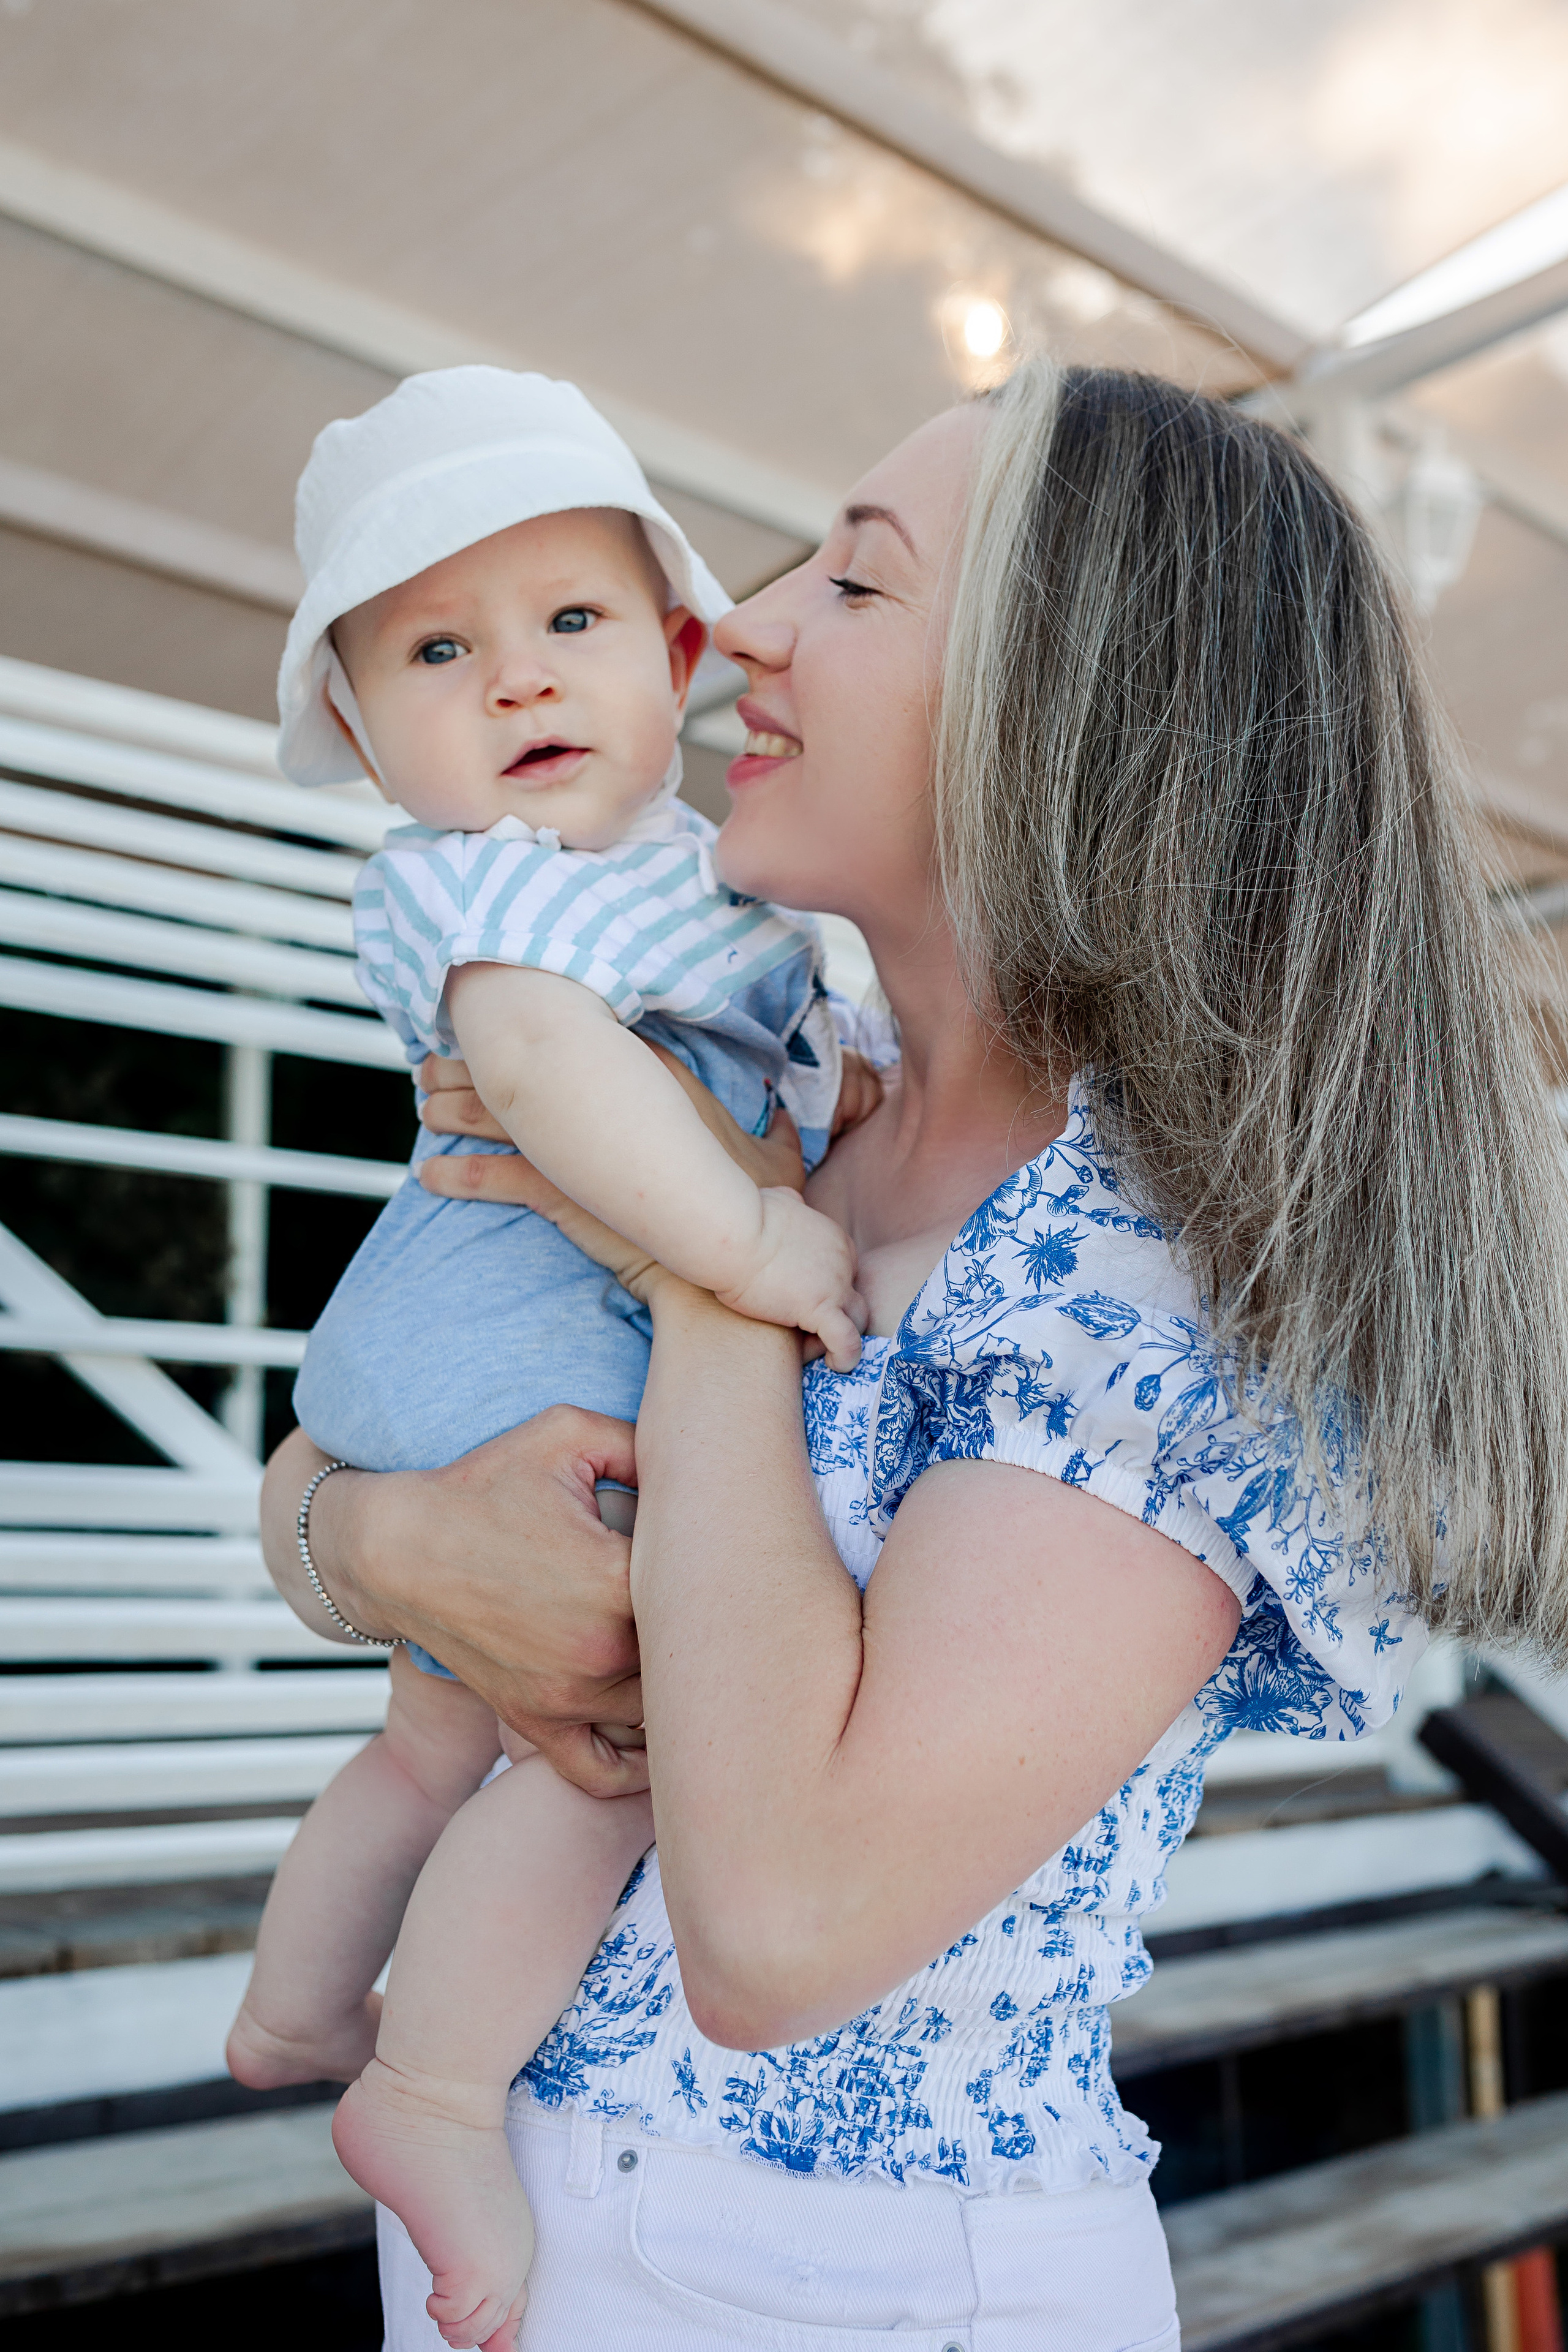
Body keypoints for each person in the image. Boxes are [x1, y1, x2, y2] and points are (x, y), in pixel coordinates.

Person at [258, 359, 1568, 2350]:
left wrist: (701, 1267)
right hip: (536, 2237)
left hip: (837, 2297)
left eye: (855, 588)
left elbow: (779, 1934)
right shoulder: (801, 1101)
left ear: (1072, 707)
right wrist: (367, 1544)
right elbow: (373, 1437)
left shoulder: (1157, 1277)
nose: (746, 624)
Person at [225, 367, 882, 2352]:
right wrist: (760, 1233)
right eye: (439, 651)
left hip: (441, 1361)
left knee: (432, 1745)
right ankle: (426, 2098)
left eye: (568, 623)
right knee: (596, 1759)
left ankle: (294, 2009)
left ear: (676, 649)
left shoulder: (690, 874)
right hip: (504, 1332)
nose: (516, 683)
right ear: (361, 731)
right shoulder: (497, 891)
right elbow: (545, 1080)